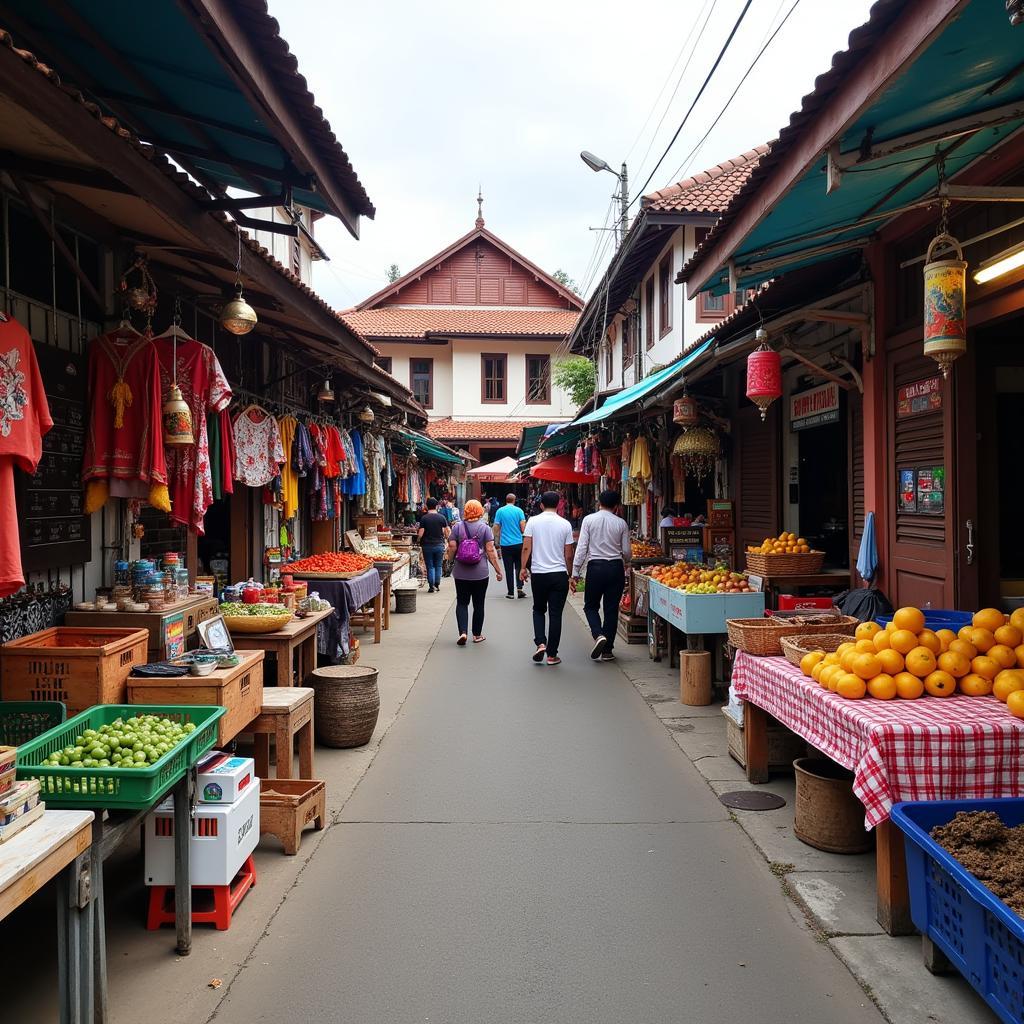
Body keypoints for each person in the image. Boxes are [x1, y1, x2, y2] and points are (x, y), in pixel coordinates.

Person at [572, 489, 632, 662]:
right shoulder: (621, 523)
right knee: (611, 609)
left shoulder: (589, 520)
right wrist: (626, 561)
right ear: (617, 506)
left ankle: (598, 634)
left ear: (599, 503)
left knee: (590, 606)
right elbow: (626, 551)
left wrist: (575, 572)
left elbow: (582, 547)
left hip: (595, 567)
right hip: (615, 568)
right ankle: (608, 651)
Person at [520, 490, 574, 665]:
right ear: (559, 504)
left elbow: (526, 547)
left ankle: (540, 643)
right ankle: (552, 655)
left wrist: (522, 568)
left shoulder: (533, 522)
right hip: (559, 574)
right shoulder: (565, 524)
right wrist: (571, 574)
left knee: (538, 609)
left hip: (539, 574)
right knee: (556, 614)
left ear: (541, 505)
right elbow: (568, 554)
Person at [447, 499, 502, 646]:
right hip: (480, 573)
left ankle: (463, 632)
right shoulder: (485, 528)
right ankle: (477, 635)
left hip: (460, 572)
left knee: (462, 602)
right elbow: (490, 550)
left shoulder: (458, 527)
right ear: (480, 511)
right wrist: (498, 570)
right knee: (479, 604)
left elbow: (452, 546)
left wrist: (450, 561)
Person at [493, 493, 527, 600]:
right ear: (514, 500)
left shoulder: (500, 511)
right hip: (518, 543)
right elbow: (523, 528)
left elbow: (496, 527)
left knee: (508, 569)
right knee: (519, 567)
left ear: (506, 500)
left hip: (505, 544)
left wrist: (495, 540)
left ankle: (510, 592)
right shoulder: (519, 511)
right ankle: (520, 589)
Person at [417, 497, 450, 593]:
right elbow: (447, 531)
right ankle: (437, 584)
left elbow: (421, 533)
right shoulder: (442, 517)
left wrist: (418, 540)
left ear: (427, 506)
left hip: (427, 545)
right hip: (439, 544)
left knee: (430, 565)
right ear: (436, 506)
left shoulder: (424, 518)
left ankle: (431, 586)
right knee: (438, 565)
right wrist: (446, 539)